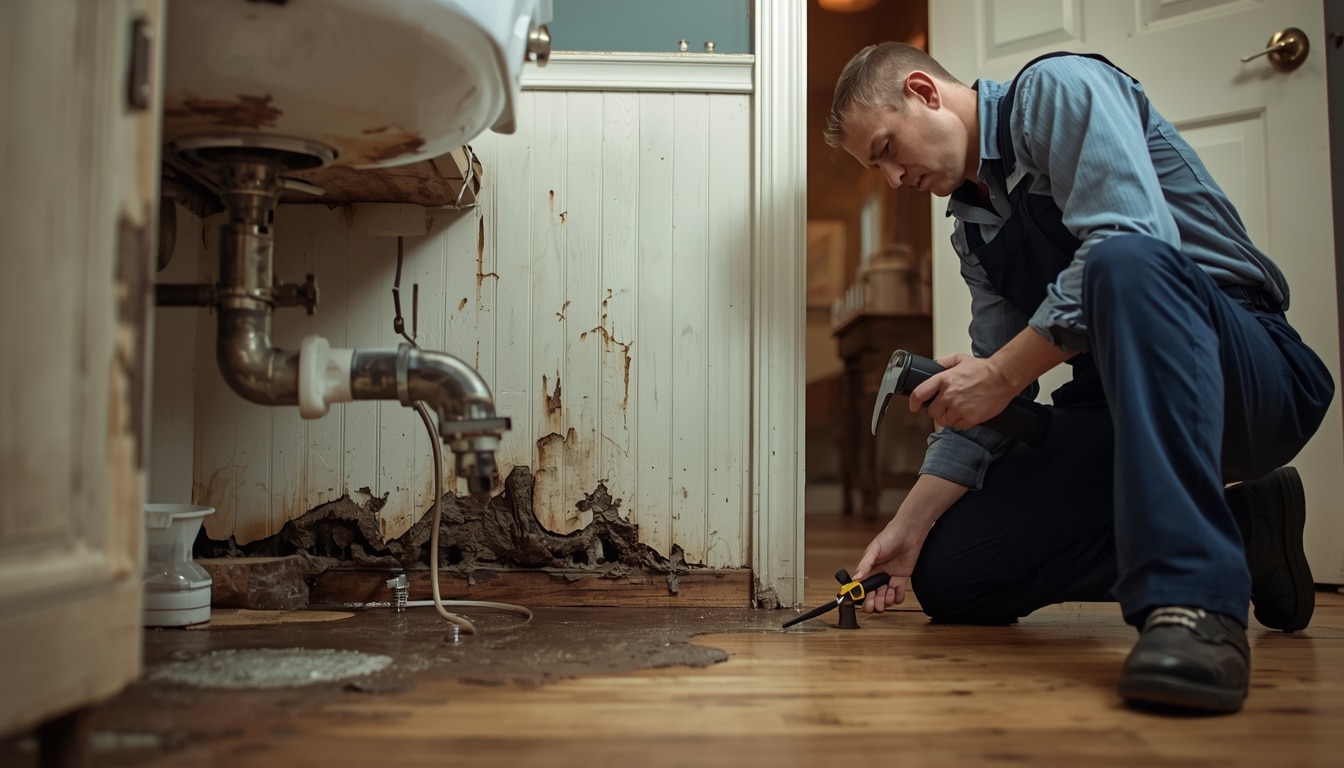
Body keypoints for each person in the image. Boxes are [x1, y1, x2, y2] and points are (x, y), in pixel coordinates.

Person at [824, 42, 1335, 715]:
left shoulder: (1056, 91)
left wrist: (1003, 374)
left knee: (1122, 260)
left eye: (888, 148)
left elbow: (1131, 234)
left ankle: (1193, 604)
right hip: (1114, 408)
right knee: (956, 576)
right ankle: (1248, 530)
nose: (891, 178)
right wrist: (908, 525)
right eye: (876, 166)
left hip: (1245, 369)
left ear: (923, 90)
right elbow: (987, 394)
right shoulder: (974, 233)